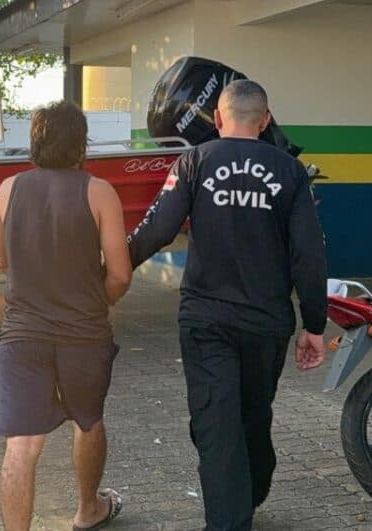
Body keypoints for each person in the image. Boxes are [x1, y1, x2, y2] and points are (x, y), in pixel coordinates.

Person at [127, 79, 327, 531]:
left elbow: (156, 230)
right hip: (267, 323)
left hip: (206, 319)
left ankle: (238, 506)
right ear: (266, 119)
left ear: (217, 118)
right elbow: (309, 253)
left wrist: (109, 270)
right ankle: (246, 497)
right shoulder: (291, 172)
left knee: (217, 421)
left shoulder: (194, 160)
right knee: (251, 414)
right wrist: (314, 324)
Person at [0, 100, 133, 531]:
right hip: (83, 334)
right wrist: (101, 299)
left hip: (21, 335)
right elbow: (121, 274)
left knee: (21, 445)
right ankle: (88, 510)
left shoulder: (7, 189)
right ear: (81, 144)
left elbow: (2, 262)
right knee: (88, 421)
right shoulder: (99, 192)